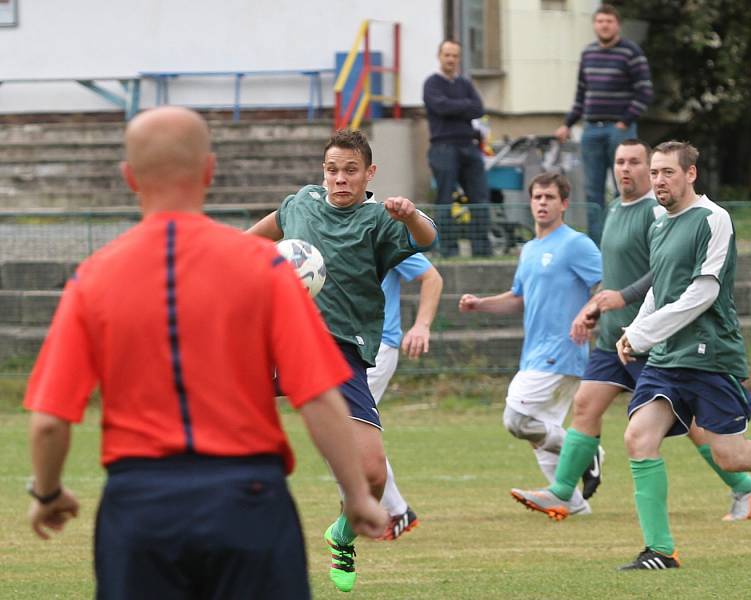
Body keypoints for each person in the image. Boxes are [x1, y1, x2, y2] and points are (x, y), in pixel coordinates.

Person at [23, 107, 387, 599]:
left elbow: (48, 421)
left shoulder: (94, 278)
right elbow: (319, 397)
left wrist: (47, 493)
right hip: (249, 501)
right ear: (209, 171)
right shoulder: (267, 270)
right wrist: (358, 495)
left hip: (140, 505)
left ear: (129, 177)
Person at [513, 139, 751, 522]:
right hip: (620, 336)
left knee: (700, 431)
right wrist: (597, 308)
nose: (625, 169)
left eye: (636, 162)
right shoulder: (615, 210)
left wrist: (629, 305)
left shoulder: (661, 212)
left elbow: (661, 277)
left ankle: (743, 487)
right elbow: (616, 275)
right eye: (620, 162)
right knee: (587, 405)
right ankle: (565, 493)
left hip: (659, 339)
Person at [247, 129, 437, 592]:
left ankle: (342, 535)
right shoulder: (301, 203)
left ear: (369, 173)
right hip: (281, 339)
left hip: (339, 351)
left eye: (350, 170)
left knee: (371, 476)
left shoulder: (379, 220)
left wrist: (411, 215)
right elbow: (251, 240)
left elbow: (428, 239)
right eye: (332, 170)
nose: (339, 179)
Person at [616, 141, 751, 570]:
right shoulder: (659, 223)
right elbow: (659, 290)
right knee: (638, 438)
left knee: (730, 456)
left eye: (668, 173)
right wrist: (635, 331)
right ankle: (660, 551)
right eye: (655, 172)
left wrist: (644, 334)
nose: (658, 180)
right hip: (666, 357)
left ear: (691, 174)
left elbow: (704, 292)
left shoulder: (714, 219)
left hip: (708, 353)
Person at [458, 172, 602, 514]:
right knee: (539, 431)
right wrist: (481, 304)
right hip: (534, 352)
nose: (542, 203)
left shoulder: (576, 244)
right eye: (537, 197)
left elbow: (605, 286)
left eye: (549, 197)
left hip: (562, 349)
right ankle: (571, 502)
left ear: (564, 203)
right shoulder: (530, 249)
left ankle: (587, 452)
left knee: (518, 419)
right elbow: (518, 298)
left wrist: (587, 316)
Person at [554, 3, 653, 245]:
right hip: (591, 130)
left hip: (618, 130)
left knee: (625, 187)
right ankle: (598, 244)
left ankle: (625, 239)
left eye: (609, 21)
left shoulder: (631, 52)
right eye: (600, 21)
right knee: (592, 191)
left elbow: (645, 92)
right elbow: (581, 95)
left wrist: (624, 121)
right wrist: (567, 124)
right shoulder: (588, 54)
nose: (604, 26)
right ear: (594, 25)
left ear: (617, 25)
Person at [367, 253, 443, 540]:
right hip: (343, 346)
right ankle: (382, 509)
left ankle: (391, 510)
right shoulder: (324, 224)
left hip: (377, 347)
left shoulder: (382, 229)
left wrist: (421, 325)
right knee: (340, 431)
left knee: (344, 429)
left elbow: (432, 277)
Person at [423, 39, 491, 257]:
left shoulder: (465, 84)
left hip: (468, 146)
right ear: (439, 56)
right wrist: (464, 106)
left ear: (459, 59)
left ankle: (482, 250)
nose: (451, 59)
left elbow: (479, 108)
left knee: (480, 198)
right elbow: (440, 107)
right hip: (442, 147)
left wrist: (455, 107)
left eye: (455, 55)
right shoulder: (431, 84)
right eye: (447, 55)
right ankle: (447, 250)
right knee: (445, 199)